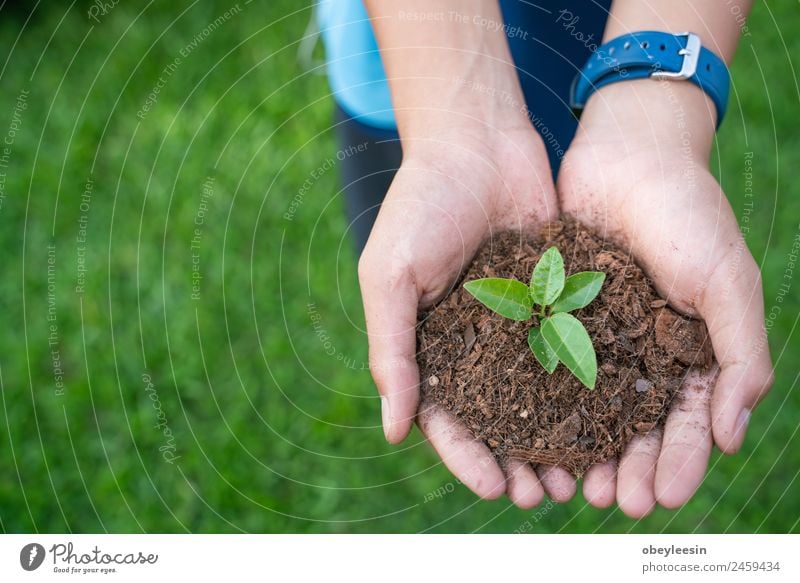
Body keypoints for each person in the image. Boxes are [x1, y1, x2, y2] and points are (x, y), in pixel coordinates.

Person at [318, 0, 773, 518]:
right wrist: (455, 129)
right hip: (409, 50)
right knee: (432, 245)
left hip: (603, 27)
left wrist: (654, 123)